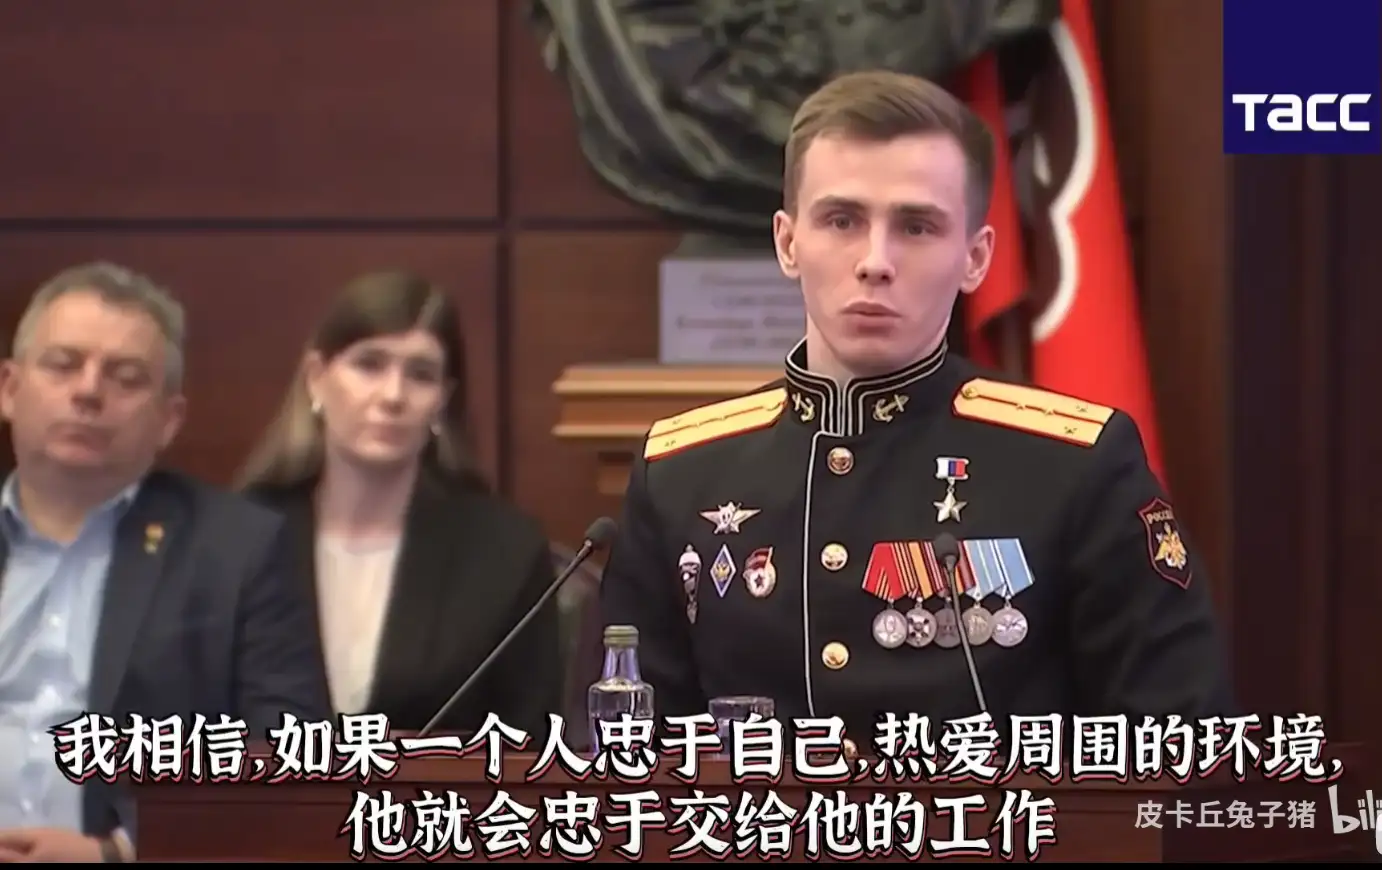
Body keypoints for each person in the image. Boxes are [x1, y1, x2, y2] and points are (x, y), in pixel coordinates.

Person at [598, 71, 1235, 746]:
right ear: (787, 243)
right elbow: (628, 756)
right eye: (842, 220)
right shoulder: (681, 473)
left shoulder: (1075, 464)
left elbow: (1184, 743)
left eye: (916, 226)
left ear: (975, 258)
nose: (875, 261)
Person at [0, 262, 331, 862]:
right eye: (63, 365)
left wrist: (118, 851)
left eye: (125, 378)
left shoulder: (237, 550)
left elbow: (291, 755)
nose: (88, 391)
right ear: (9, 388)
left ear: (168, 420)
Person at [237, 270, 563, 741]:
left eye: (420, 375)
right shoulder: (239, 538)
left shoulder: (503, 551)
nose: (393, 396)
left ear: (442, 400)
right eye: (369, 365)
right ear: (316, 379)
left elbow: (529, 746)